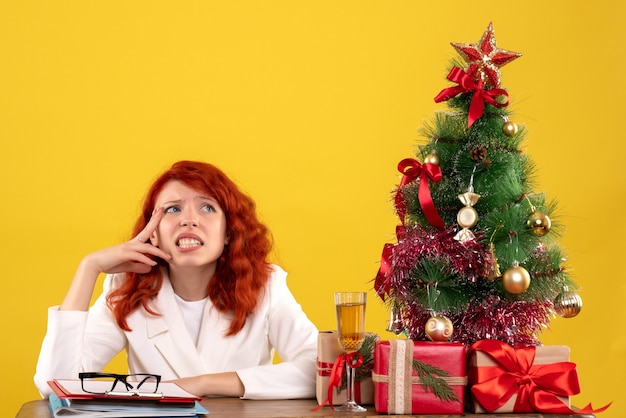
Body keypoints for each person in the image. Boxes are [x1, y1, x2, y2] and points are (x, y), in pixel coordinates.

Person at [34, 160, 319, 399]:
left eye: (207, 208)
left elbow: (322, 372)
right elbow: (54, 384)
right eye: (173, 209)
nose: (189, 220)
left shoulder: (266, 287)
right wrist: (89, 268)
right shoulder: (126, 288)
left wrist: (203, 383)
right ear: (153, 233)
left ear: (228, 232)